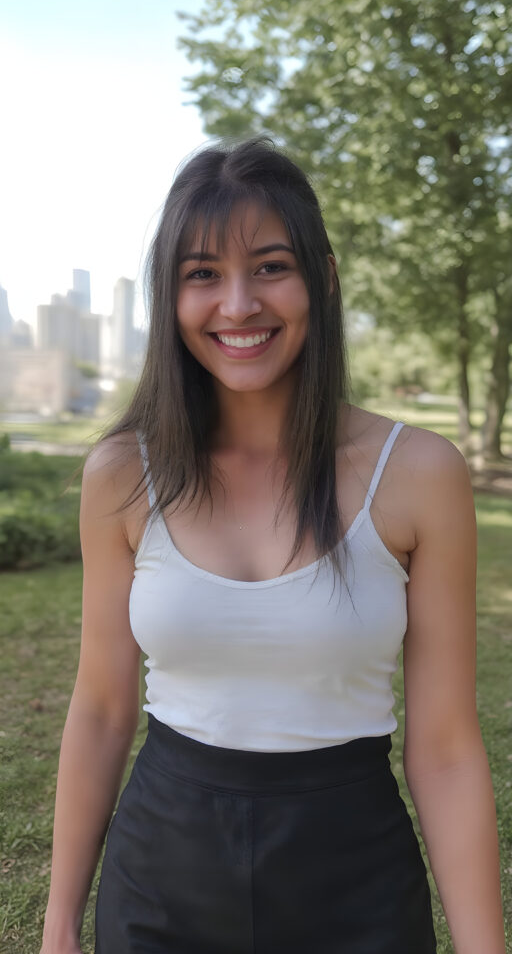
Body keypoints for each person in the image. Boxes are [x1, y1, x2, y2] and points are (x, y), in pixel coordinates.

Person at [40, 137, 506, 954]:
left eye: (269, 266)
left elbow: (446, 750)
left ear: (321, 279)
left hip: (353, 881)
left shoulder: (420, 473)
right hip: (161, 877)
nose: (238, 304)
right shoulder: (122, 473)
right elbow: (104, 709)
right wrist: (57, 927)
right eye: (202, 274)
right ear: (170, 295)